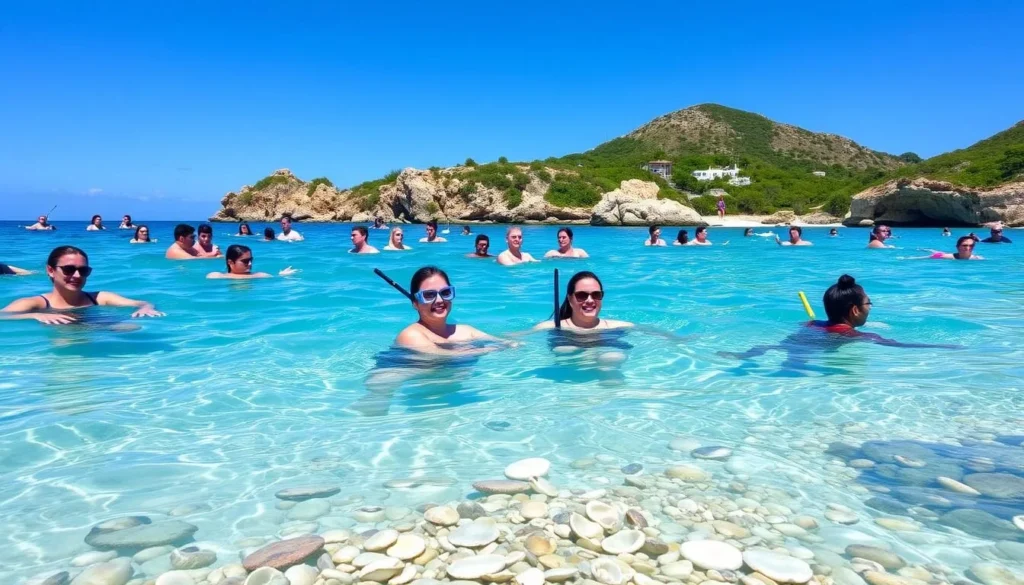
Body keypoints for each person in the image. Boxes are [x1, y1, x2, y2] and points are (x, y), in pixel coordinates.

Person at [719, 274, 959, 373]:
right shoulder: (855, 336)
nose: (870, 307)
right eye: (868, 304)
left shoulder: (812, 323)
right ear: (855, 310)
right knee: (795, 365)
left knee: (781, 350)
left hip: (800, 341)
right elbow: (899, 345)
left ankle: (746, 356)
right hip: (824, 343)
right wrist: (944, 347)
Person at [1, 246, 165, 324]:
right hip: (58, 354)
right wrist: (35, 315)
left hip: (97, 345)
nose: (77, 275)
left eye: (83, 270)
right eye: (69, 269)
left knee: (132, 328)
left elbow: (141, 303)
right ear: (50, 270)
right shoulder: (36, 304)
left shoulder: (100, 298)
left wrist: (146, 308)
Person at [394, 266, 504, 355]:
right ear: (415, 304)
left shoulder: (466, 331)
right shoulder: (410, 335)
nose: (439, 300)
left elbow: (504, 343)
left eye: (445, 293)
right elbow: (446, 358)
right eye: (429, 295)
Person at [534, 271, 633, 332]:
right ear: (570, 299)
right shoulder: (550, 328)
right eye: (582, 295)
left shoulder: (617, 327)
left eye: (596, 294)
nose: (590, 300)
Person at [207, 245, 297, 279]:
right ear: (230, 262)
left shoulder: (259, 275)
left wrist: (282, 275)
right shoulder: (217, 276)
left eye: (251, 260)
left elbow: (275, 278)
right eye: (245, 261)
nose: (250, 264)